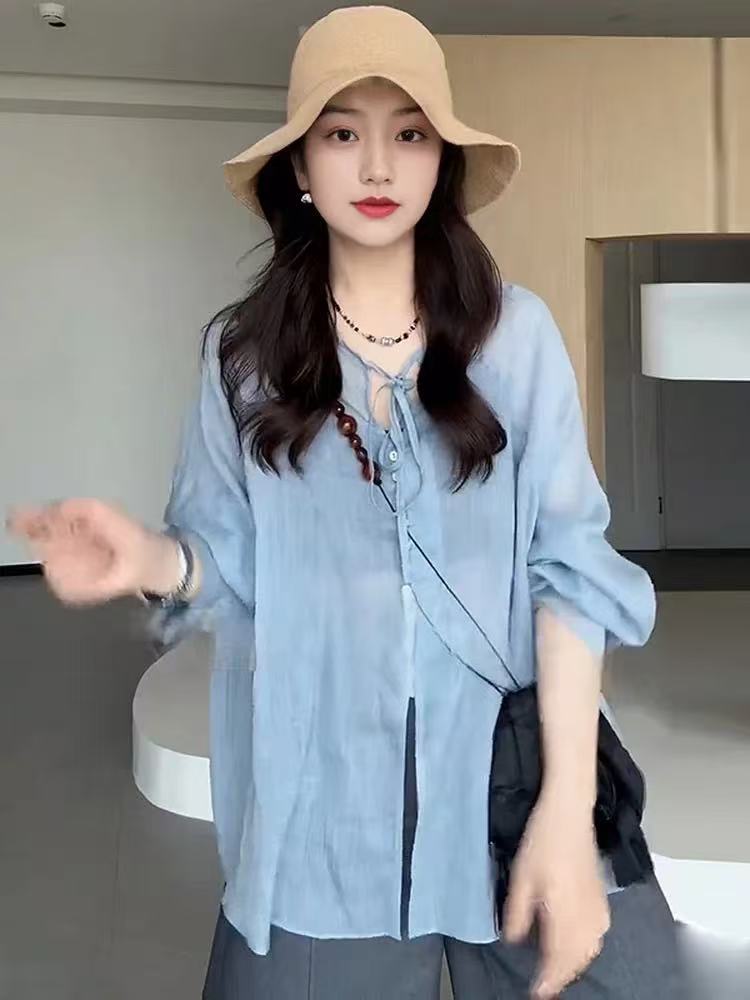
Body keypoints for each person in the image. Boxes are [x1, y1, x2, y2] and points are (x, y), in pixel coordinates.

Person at [6, 6, 686, 998]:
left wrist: (565, 807)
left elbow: (570, 572)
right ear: (299, 165)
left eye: (408, 133)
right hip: (324, 800)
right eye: (340, 133)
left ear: (441, 162)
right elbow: (227, 555)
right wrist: (147, 560)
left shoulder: (517, 338)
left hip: (508, 769)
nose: (376, 166)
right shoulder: (243, 358)